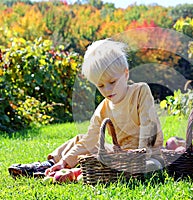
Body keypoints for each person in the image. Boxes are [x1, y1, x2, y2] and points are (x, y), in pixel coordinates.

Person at [8, 39, 164, 178]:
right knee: (81, 140)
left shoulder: (140, 92)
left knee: (150, 167)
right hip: (121, 156)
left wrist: (141, 153)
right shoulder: (103, 107)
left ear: (126, 74)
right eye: (101, 85)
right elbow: (89, 140)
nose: (108, 90)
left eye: (112, 82)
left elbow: (148, 125)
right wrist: (64, 161)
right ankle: (52, 165)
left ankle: (80, 172)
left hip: (148, 156)